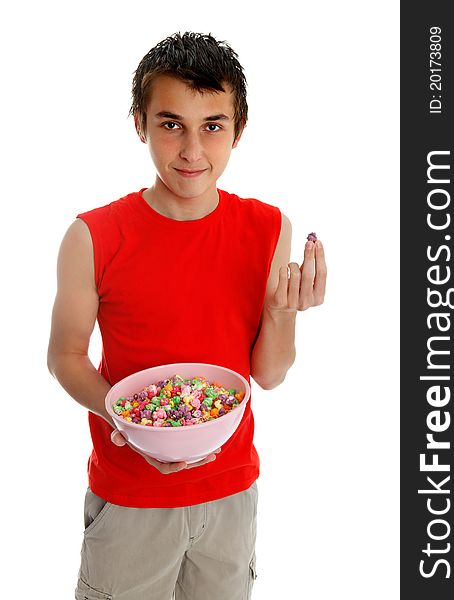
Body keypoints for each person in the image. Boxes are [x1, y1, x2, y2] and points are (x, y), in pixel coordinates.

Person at [47, 31, 326, 600]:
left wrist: (282, 312)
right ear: (140, 123)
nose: (192, 151)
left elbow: (268, 375)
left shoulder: (268, 228)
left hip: (229, 493)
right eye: (171, 124)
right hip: (130, 498)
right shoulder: (93, 235)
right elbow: (65, 356)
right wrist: (124, 418)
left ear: (238, 130)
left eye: (213, 126)